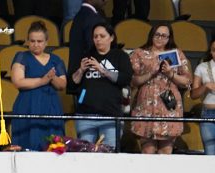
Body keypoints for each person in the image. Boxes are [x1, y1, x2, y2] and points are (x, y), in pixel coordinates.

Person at [130, 24, 192, 154]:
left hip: (169, 104)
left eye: (164, 36)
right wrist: (150, 73)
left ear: (169, 38)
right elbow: (132, 81)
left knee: (166, 150)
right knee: (148, 150)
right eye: (157, 34)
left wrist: (171, 74)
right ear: (151, 35)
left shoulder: (177, 53)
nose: (160, 38)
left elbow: (187, 81)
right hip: (146, 105)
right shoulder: (139, 53)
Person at [70, 22, 132, 149]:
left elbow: (125, 79)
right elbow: (72, 83)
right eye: (95, 36)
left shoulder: (120, 56)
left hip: (111, 115)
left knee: (109, 156)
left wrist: (102, 70)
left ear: (111, 37)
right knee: (84, 155)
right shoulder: (86, 56)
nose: (98, 39)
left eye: (102, 36)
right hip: (85, 115)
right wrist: (81, 70)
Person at [10, 21, 67, 150]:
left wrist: (52, 78)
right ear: (28, 41)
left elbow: (62, 84)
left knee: (52, 146)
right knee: (27, 143)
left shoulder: (56, 60)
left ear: (46, 42)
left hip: (51, 106)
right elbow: (18, 81)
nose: (36, 45)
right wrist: (42, 80)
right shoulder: (22, 56)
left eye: (39, 41)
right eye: (32, 41)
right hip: (27, 105)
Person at [66, 0, 104, 95]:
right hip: (88, 83)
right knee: (85, 105)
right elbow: (94, 49)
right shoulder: (92, 18)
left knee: (82, 105)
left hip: (81, 83)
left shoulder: (80, 15)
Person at [190, 34, 215, 155]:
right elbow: (193, 94)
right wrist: (205, 86)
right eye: (214, 50)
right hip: (208, 114)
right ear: (210, 51)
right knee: (210, 153)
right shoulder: (202, 67)